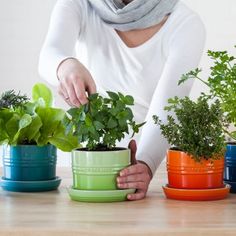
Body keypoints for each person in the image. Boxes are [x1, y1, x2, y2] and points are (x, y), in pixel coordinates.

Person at [38, 0, 206, 200]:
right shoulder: (79, 4)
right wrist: (65, 65)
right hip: (84, 170)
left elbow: (169, 106)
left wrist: (145, 164)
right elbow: (49, 54)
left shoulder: (185, 23)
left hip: (141, 173)